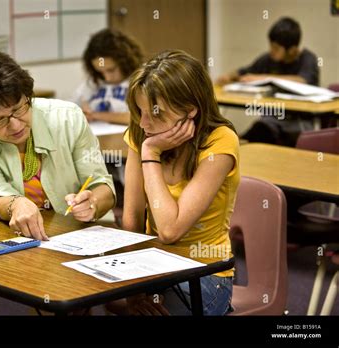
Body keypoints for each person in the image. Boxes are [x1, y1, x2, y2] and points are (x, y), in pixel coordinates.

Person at [120, 50, 239, 315]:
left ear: (190, 112)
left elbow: (170, 231)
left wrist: (150, 154)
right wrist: (134, 288)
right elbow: (132, 217)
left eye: (156, 114)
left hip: (204, 272)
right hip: (151, 266)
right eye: (139, 111)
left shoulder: (220, 141)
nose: (144, 123)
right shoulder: (141, 131)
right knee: (102, 296)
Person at [0, 48, 116, 240]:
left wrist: (93, 202)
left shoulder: (67, 118)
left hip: (84, 235)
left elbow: (102, 185)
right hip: (25, 239)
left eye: (18, 109)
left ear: (27, 96)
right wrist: (16, 204)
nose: (15, 125)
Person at [216, 17, 319, 146]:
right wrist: (229, 76)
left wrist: (265, 78)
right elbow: (245, 72)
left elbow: (303, 81)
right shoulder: (268, 59)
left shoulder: (308, 59)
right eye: (271, 46)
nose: (271, 51)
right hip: (272, 118)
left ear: (292, 49)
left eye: (276, 48)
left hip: (298, 121)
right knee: (252, 135)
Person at [72, 28, 144, 125]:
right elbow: (72, 109)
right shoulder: (94, 81)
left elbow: (139, 117)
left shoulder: (140, 80)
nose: (107, 78)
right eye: (100, 72)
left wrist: (95, 115)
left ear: (124, 62)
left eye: (111, 70)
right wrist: (82, 108)